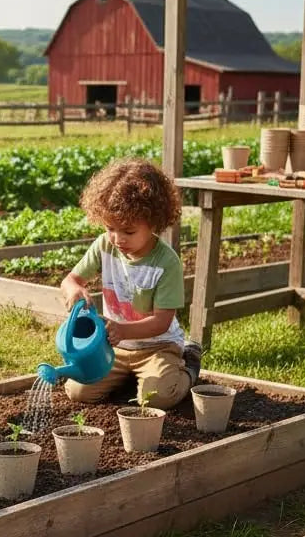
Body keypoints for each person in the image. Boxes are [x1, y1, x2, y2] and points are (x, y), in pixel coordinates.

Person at [58, 157, 201, 409]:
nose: (117, 238)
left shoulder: (166, 262)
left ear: (154, 221)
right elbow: (71, 279)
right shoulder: (104, 246)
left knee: (157, 398)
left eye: (128, 231)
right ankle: (130, 378)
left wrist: (123, 330)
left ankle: (189, 364)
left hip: (158, 346)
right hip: (114, 347)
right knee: (78, 391)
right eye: (110, 228)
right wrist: (74, 289)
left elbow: (161, 321)